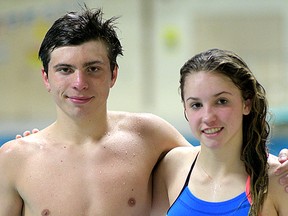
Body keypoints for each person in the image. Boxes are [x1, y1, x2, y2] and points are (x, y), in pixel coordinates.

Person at [0, 6, 287, 216]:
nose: (79, 83)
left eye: (93, 69)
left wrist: (279, 163)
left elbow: (219, 157)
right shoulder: (15, 160)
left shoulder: (148, 135)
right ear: (46, 77)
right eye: (65, 70)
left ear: (113, 74)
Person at [152, 48, 288, 216]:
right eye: (196, 105)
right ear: (185, 109)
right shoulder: (172, 167)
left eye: (221, 101)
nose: (208, 117)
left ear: (247, 104)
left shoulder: (278, 179)